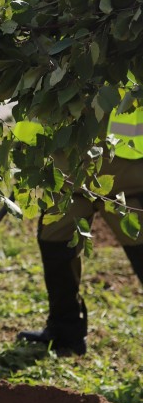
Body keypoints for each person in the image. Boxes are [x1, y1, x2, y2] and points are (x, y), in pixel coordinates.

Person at [16, 102, 143, 356]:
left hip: (127, 174)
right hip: (68, 173)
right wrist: (28, 147)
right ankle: (65, 333)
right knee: (54, 243)